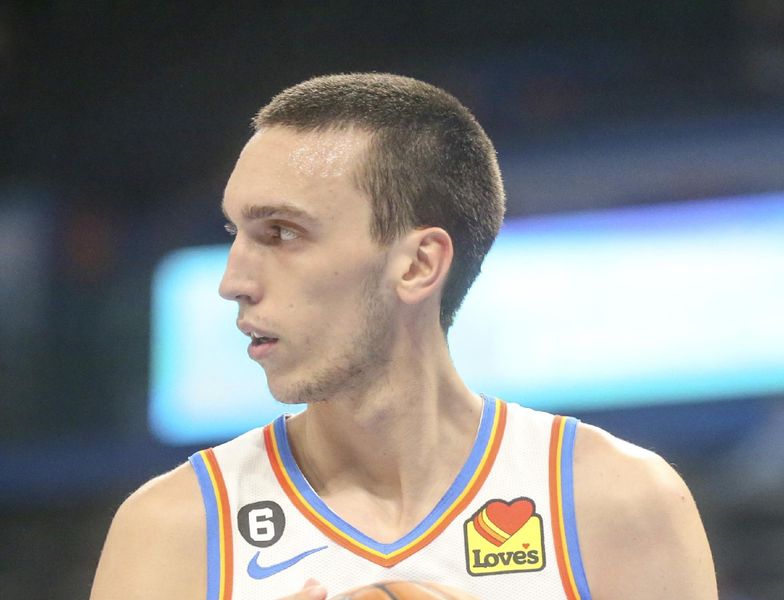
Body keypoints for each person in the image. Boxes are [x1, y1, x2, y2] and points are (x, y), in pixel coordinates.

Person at [90, 73, 717, 600]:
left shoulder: (616, 503)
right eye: (236, 234)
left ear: (418, 265)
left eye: (281, 233)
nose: (233, 281)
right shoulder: (174, 532)